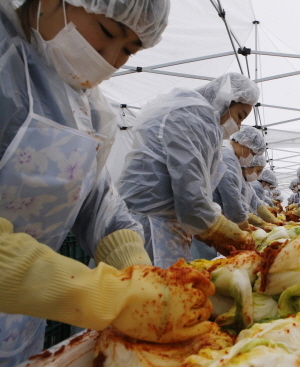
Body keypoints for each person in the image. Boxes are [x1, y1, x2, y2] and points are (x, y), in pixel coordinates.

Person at [0, 0, 201, 365]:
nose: (110, 58)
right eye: (108, 32)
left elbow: (97, 202)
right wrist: (105, 294)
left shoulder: (86, 106)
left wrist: (139, 272)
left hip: (19, 324)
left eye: (129, 49)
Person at [118, 73, 260, 267]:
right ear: (225, 101)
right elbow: (192, 197)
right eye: (239, 116)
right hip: (150, 226)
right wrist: (236, 237)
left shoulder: (193, 115)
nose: (238, 126)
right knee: (148, 288)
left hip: (160, 221)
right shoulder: (195, 117)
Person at [242, 154, 283, 229]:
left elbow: (257, 203)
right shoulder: (255, 185)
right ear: (248, 166)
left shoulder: (247, 184)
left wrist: (273, 220)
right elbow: (236, 209)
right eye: (258, 171)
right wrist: (263, 223)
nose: (258, 175)